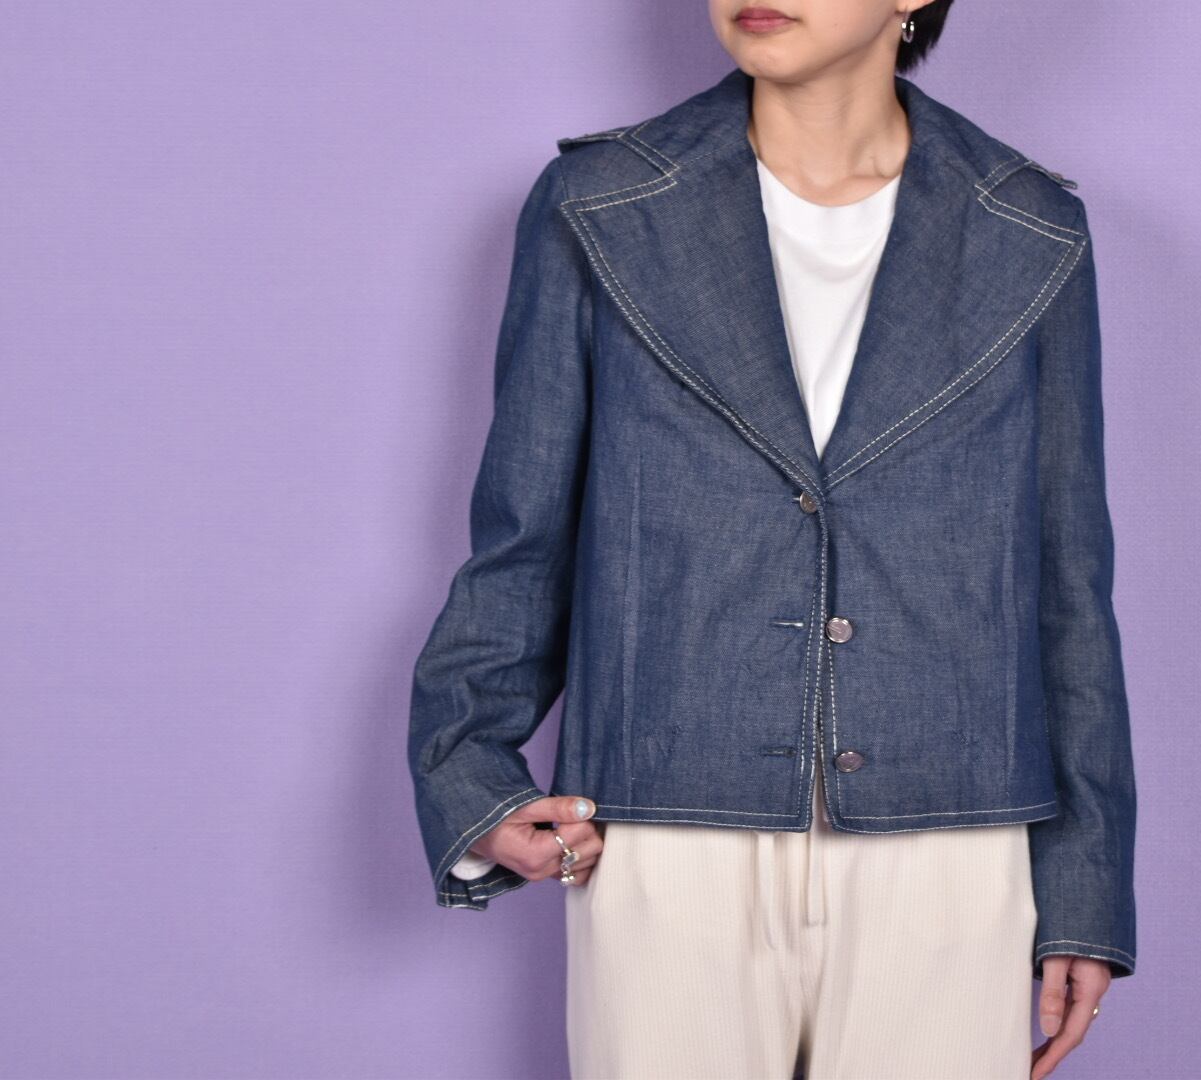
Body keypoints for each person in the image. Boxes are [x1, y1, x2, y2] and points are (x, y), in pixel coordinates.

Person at [407, 3, 1137, 1077]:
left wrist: (1083, 887)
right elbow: (525, 533)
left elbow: (1067, 583)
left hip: (951, 824)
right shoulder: (600, 203)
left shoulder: (1028, 225)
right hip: (667, 817)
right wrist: (472, 773)